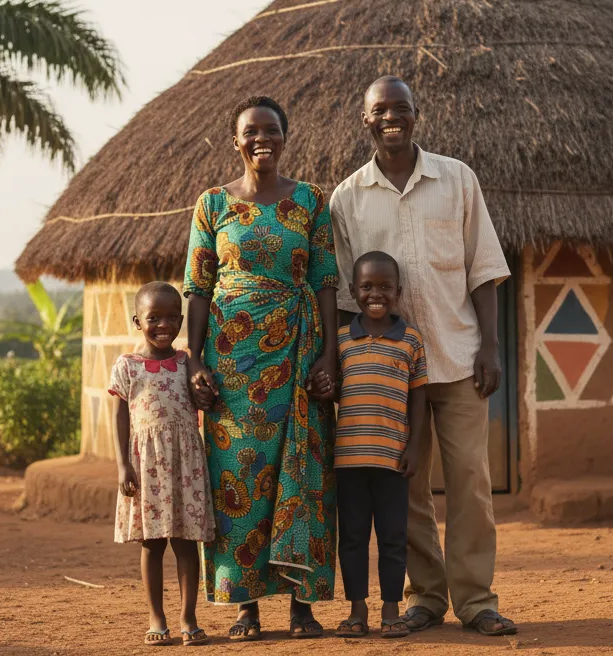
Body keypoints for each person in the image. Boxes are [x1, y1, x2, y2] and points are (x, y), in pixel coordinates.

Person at [329, 76, 517, 636]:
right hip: (386, 374)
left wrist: (491, 345)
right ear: (365, 119)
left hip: (458, 357)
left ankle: (477, 600)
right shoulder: (347, 199)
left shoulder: (456, 179)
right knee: (404, 488)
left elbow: (482, 268)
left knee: (470, 482)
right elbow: (344, 297)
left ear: (417, 115)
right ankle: (426, 597)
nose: (392, 118)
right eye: (380, 110)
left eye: (402, 109)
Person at [183, 96, 340, 641]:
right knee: (240, 481)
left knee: (303, 476)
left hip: (297, 358)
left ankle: (302, 604)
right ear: (236, 140)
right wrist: (195, 361)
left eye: (271, 130)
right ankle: (245, 603)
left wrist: (328, 356)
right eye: (251, 132)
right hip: (232, 370)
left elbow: (324, 280)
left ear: (285, 137)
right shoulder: (211, 206)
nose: (261, 139)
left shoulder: (311, 202)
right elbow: (198, 288)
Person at [111, 282, 214, 647]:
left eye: (172, 317)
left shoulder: (187, 362)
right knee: (152, 544)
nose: (163, 325)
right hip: (146, 466)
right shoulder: (127, 366)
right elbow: (120, 416)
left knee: (186, 543)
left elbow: (205, 401)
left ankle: (188, 617)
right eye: (154, 318)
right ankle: (157, 616)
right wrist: (123, 464)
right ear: (137, 320)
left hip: (185, 464)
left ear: (182, 320)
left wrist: (205, 393)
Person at [333, 251, 428, 640]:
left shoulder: (411, 341)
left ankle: (391, 611)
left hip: (392, 460)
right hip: (349, 461)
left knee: (392, 536)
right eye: (368, 286)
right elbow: (334, 392)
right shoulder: (340, 341)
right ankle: (358, 611)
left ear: (398, 291)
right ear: (353, 291)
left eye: (385, 287)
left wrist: (415, 446)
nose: (377, 294)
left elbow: (419, 400)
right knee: (352, 537)